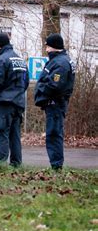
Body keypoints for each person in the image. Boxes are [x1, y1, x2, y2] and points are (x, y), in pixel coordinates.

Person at [34, 33, 76, 170]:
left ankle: (56, 166)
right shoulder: (59, 60)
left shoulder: (61, 63)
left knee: (54, 134)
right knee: (53, 134)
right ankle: (56, 165)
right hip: (54, 103)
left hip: (55, 104)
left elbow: (54, 85)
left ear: (54, 47)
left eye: (48, 47)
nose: (46, 50)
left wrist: (40, 87)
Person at [0, 33, 29, 166]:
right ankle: (16, 164)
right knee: (14, 135)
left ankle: (0, 163)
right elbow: (26, 83)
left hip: (3, 104)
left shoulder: (0, 61)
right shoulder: (21, 61)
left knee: (0, 133)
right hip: (18, 104)